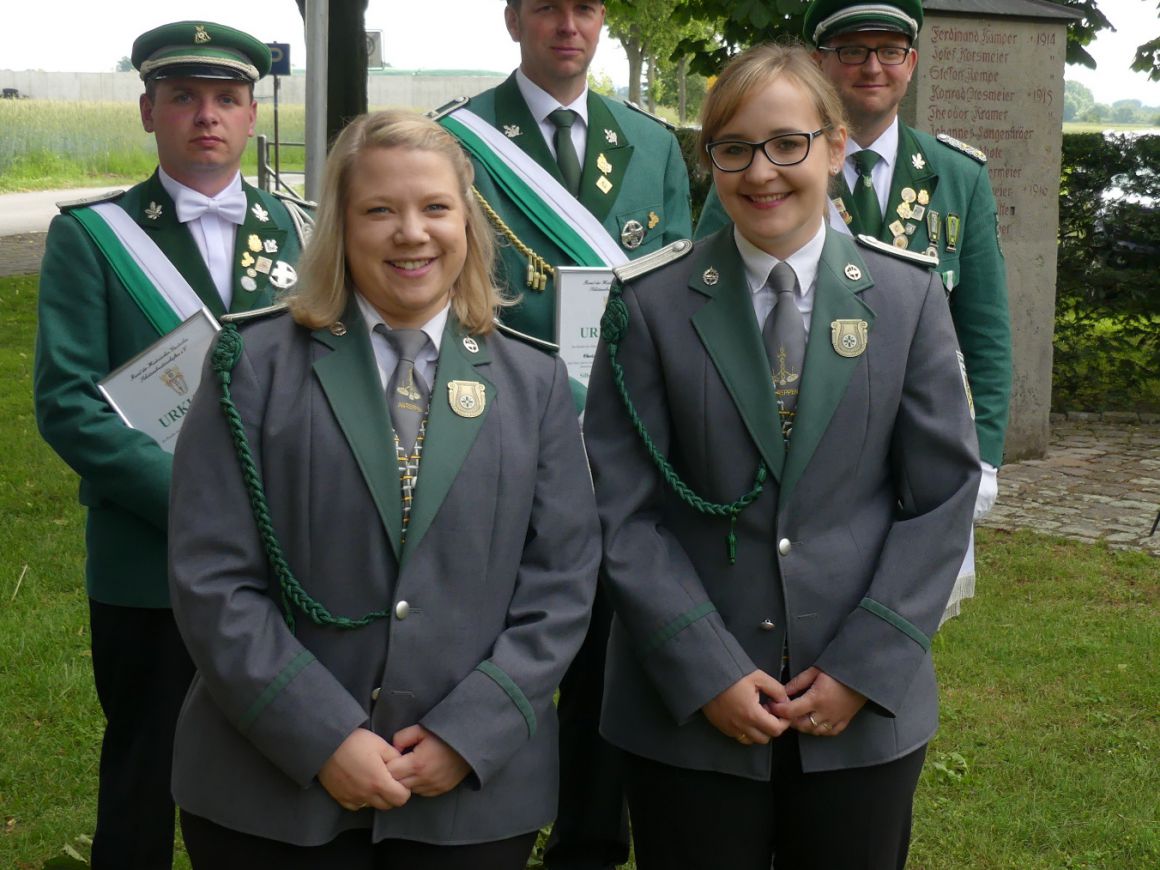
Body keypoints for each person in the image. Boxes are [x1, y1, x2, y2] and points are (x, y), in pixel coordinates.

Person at [165, 109, 601, 869]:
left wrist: (471, 729)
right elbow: (212, 577)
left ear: (468, 221)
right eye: (379, 210)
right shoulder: (253, 367)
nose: (412, 233)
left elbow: (562, 582)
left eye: (435, 208)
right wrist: (321, 734)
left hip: (468, 794)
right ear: (339, 224)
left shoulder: (534, 384)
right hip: (270, 791)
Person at [584, 43, 980, 869]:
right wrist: (705, 669)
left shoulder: (906, 299)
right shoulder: (650, 304)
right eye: (733, 149)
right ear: (711, 162)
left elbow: (941, 498)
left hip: (862, 707)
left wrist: (866, 665)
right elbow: (621, 512)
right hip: (686, 713)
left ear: (835, 148)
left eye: (787, 144)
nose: (761, 172)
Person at [32, 21, 309, 870]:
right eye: (183, 97)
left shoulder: (302, 231)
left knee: (279, 767)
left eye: (227, 98)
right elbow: (71, 405)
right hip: (148, 562)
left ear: (254, 115)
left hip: (287, 559)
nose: (206, 117)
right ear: (147, 111)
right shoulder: (93, 238)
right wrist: (200, 505)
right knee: (145, 773)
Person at [435, 4, 692, 867]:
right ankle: (480, 826)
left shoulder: (652, 146)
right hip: (493, 438)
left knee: (604, 658)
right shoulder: (459, 140)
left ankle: (586, 839)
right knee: (490, 642)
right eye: (547, 4)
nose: (567, 24)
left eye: (585, 6)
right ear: (513, 18)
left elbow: (677, 288)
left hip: (618, 448)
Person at [696, 0, 1011, 621]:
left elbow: (984, 330)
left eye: (888, 51)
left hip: (920, 433)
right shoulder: (760, 168)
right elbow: (711, 296)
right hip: (793, 433)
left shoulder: (957, 174)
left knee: (903, 610)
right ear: (820, 63)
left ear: (911, 62)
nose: (872, 67)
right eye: (851, 51)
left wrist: (985, 456)